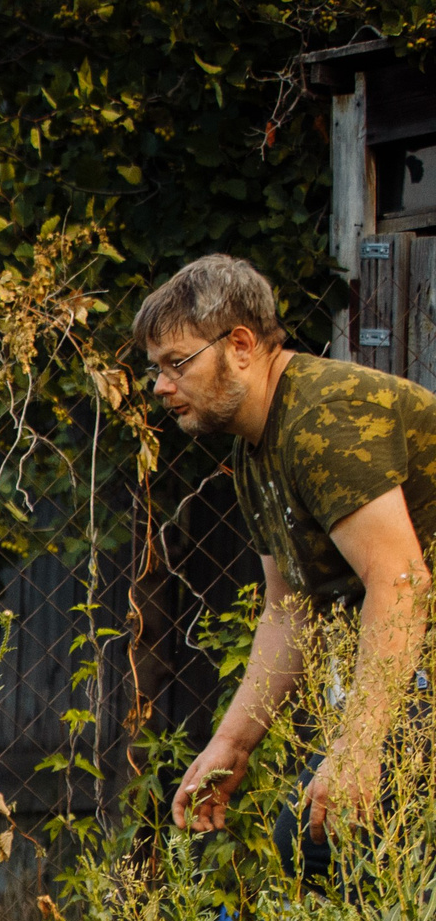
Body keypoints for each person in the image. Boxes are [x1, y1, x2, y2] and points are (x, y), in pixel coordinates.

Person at [139, 254, 433, 877]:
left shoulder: (326, 414)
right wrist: (231, 745)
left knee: (340, 844)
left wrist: (358, 746)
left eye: (176, 363)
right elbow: (288, 610)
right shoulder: (257, 449)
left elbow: (400, 580)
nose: (160, 387)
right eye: (155, 370)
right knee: (318, 841)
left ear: (240, 345)